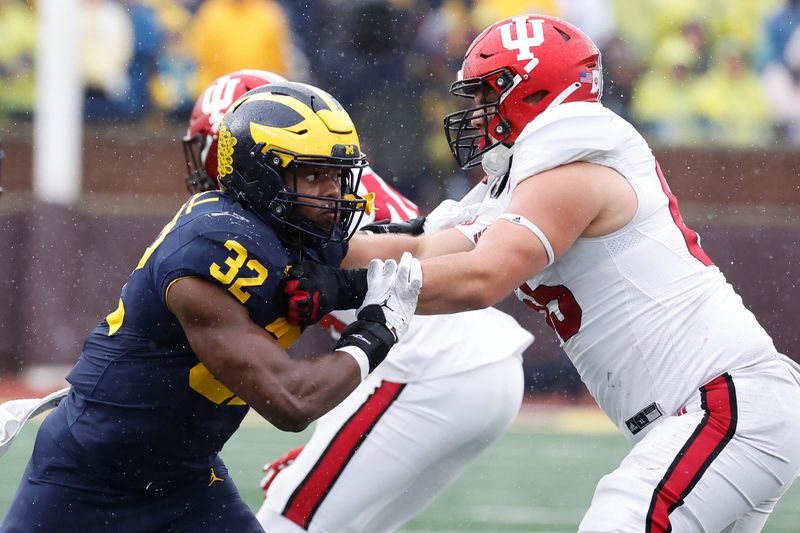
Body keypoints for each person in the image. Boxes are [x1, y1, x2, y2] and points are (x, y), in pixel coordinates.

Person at [288, 15, 800, 532]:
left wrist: (335, 289)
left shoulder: (573, 169)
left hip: (723, 405)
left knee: (619, 518)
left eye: (486, 95)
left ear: (531, 91)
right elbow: (422, 249)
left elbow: (482, 278)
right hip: (720, 410)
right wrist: (297, 251)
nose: (474, 113)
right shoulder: (535, 174)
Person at [1, 80, 421, 532]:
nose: (334, 193)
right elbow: (292, 400)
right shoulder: (213, 249)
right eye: (315, 175)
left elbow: (422, 262)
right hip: (88, 479)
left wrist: (473, 226)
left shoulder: (297, 237)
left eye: (338, 176)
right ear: (263, 176)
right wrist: (374, 333)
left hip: (185, 481)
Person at [183, 69, 533, 533]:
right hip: (473, 367)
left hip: (425, 370)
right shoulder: (330, 182)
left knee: (285, 522)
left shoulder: (295, 201)